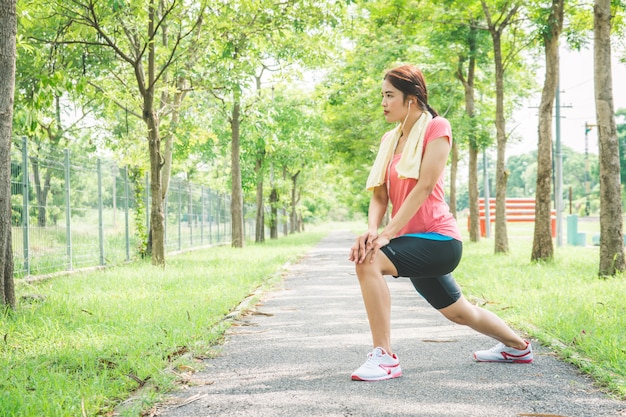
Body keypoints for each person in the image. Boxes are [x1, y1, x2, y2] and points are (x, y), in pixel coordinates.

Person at [348, 64, 532, 382]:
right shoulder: (388, 141)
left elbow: (423, 187)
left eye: (390, 95)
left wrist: (385, 237)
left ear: (413, 99)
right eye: (383, 95)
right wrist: (372, 230)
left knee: (367, 262)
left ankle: (385, 356)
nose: (383, 102)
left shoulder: (437, 128)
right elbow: (380, 196)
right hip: (412, 240)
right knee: (459, 312)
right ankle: (517, 347)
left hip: (439, 240)